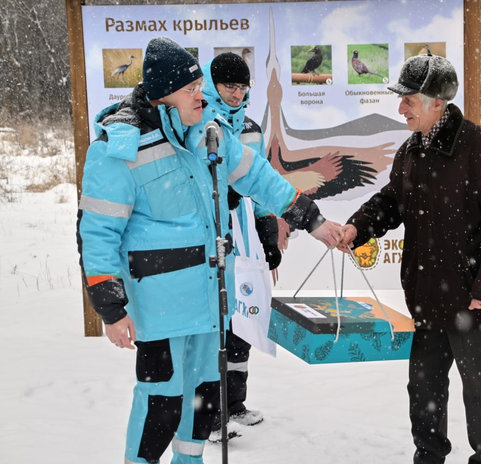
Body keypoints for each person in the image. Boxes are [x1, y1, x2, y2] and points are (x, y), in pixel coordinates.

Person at [77, 37, 343, 464]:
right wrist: (110, 306)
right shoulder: (118, 150)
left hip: (209, 297)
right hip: (159, 305)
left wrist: (311, 219)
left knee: (204, 398)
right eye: (192, 89)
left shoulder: (209, 135)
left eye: (201, 85)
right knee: (161, 403)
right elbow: (97, 234)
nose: (203, 95)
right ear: (164, 94)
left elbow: (259, 178)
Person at [338, 53, 481, 464]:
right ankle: (428, 457)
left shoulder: (479, 148)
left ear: (437, 103)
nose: (400, 107)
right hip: (426, 300)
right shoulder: (413, 149)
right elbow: (393, 201)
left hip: (471, 304)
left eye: (409, 99)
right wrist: (358, 228)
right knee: (424, 391)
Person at [199, 52, 274, 437]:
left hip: (244, 237)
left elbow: (261, 182)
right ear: (213, 85)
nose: (237, 93)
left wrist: (268, 231)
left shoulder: (251, 127)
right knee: (216, 323)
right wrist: (221, 190)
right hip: (211, 235)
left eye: (243, 87)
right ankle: (211, 415)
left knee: (242, 317)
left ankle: (236, 403)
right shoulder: (199, 121)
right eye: (230, 86)